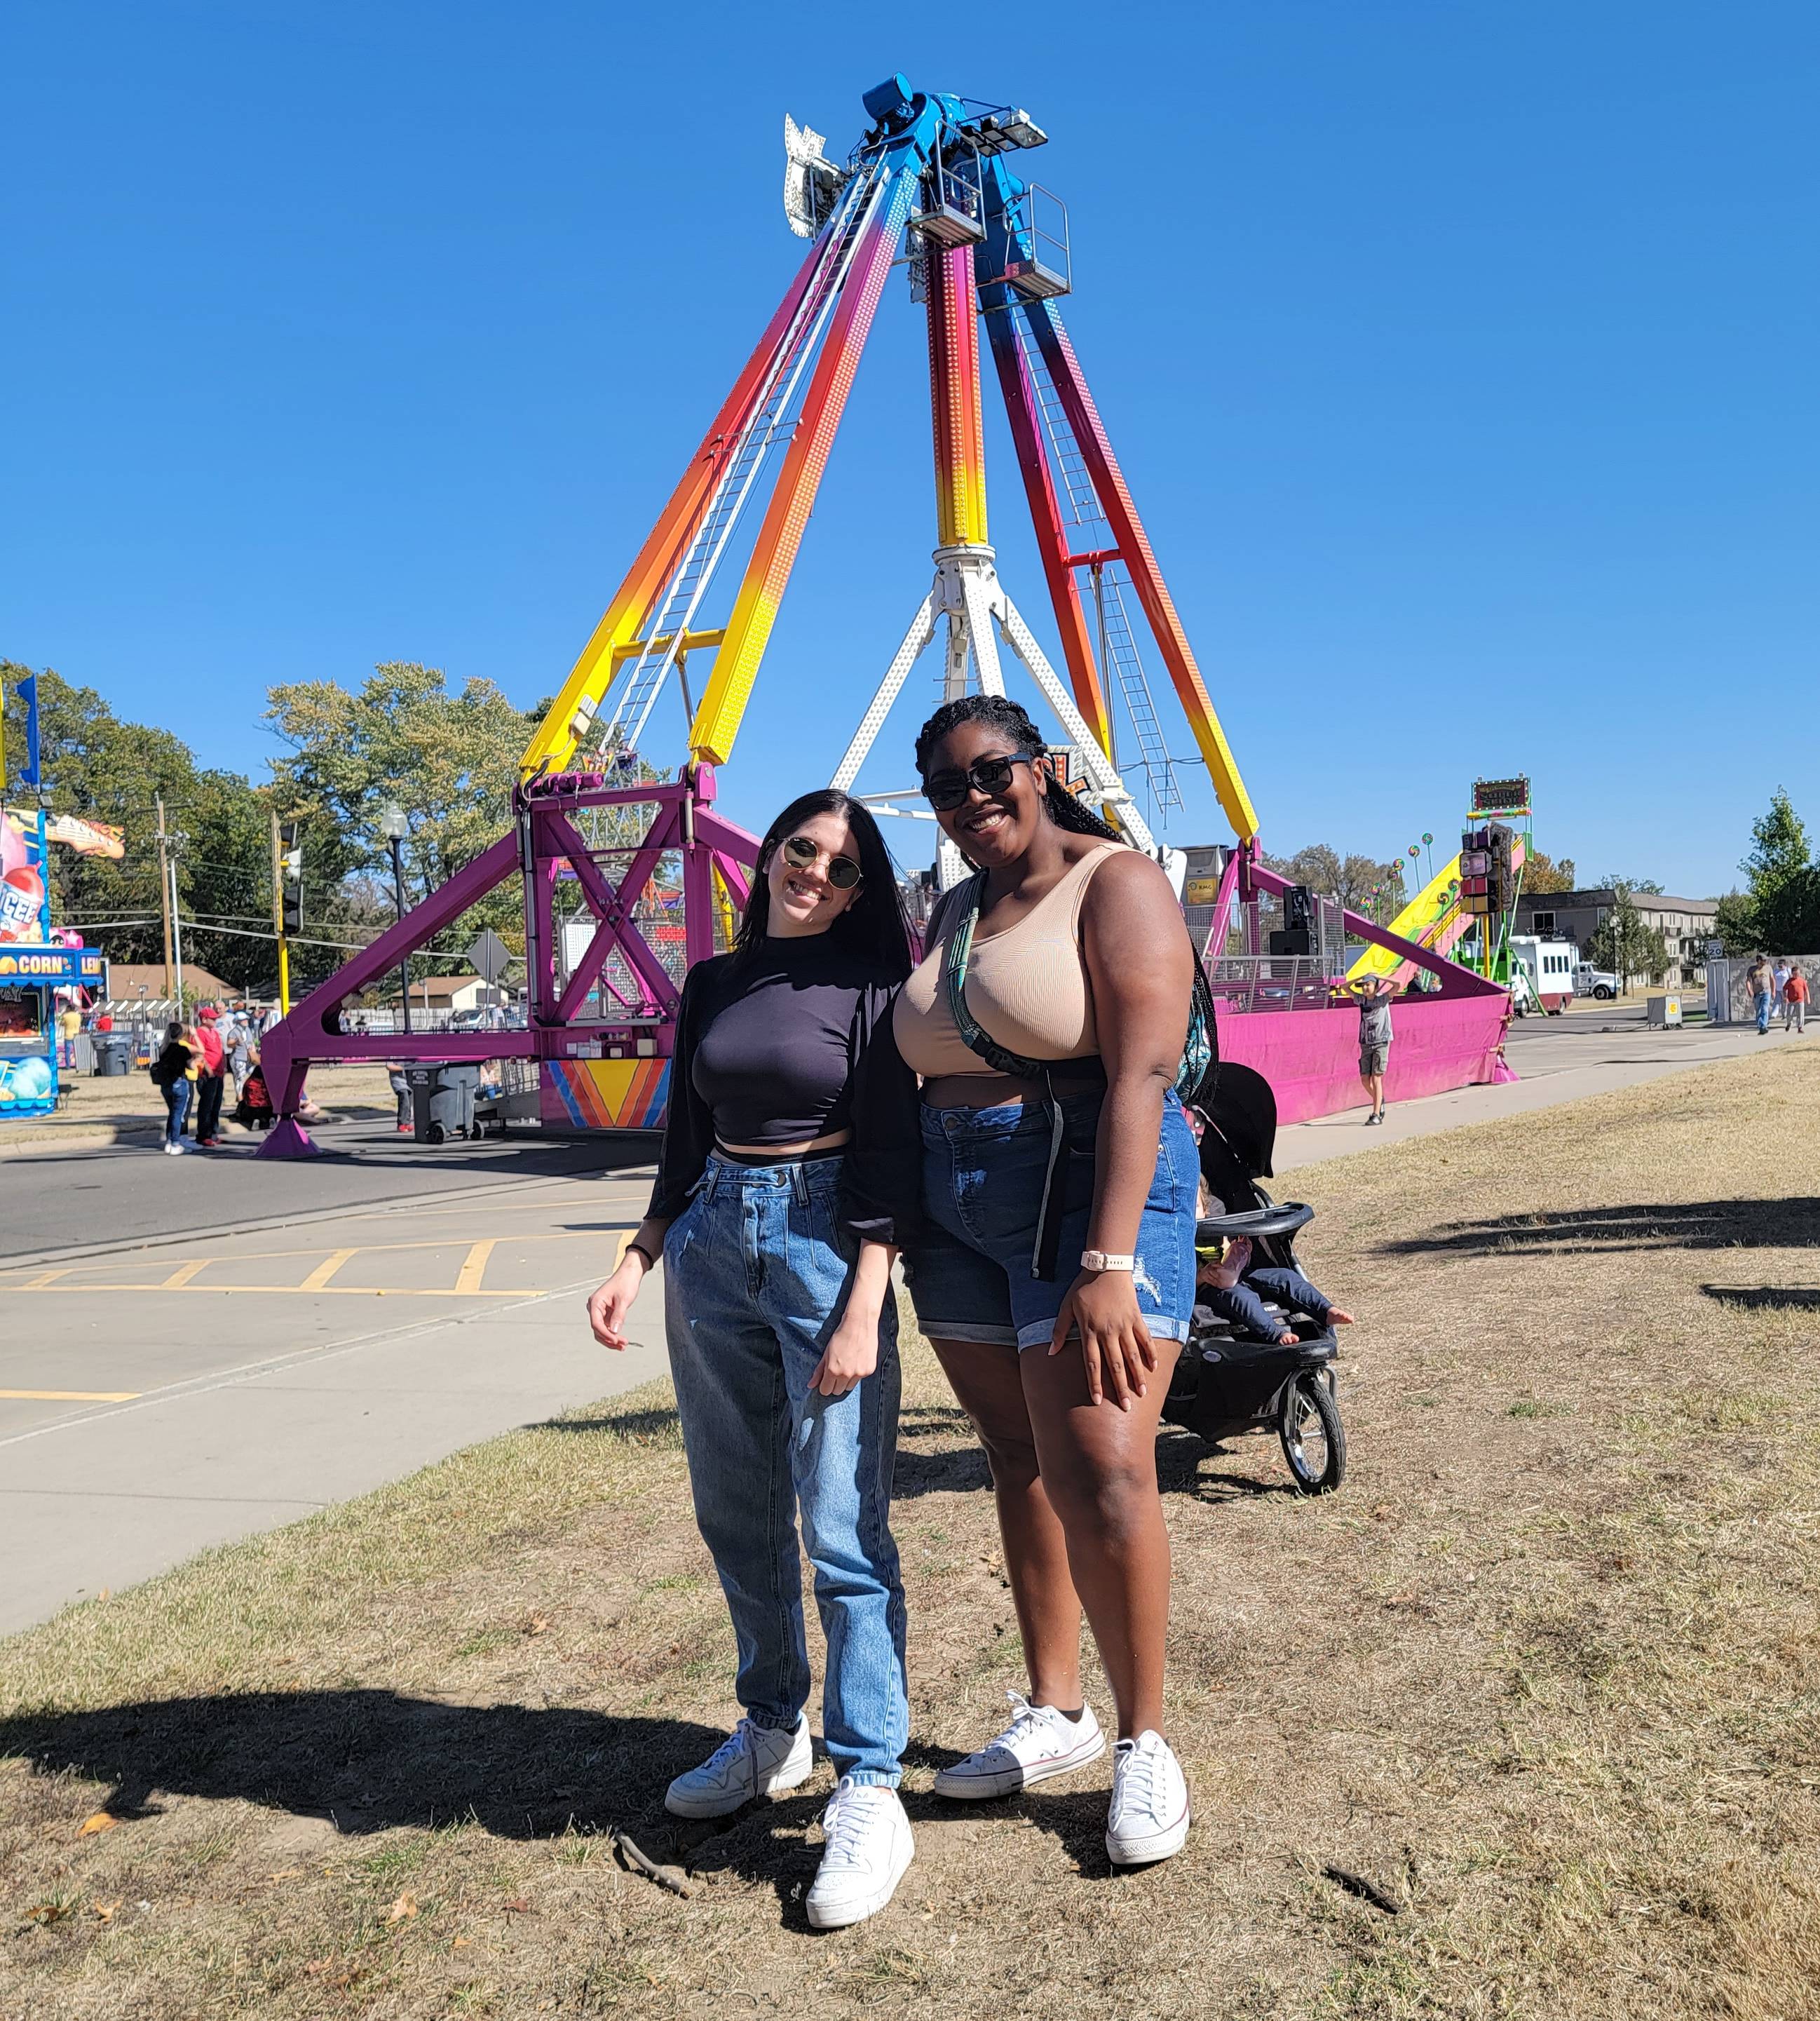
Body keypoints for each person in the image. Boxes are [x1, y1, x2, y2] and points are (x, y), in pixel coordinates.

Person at [585, 790, 918, 1931]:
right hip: (715, 1242)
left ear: (861, 885)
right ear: (770, 854)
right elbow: (686, 1126)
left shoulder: (878, 990)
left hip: (831, 1242)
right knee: (733, 1508)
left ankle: (870, 1779)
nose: (812, 871)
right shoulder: (718, 981)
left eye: (837, 861)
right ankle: (772, 1727)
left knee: (840, 1526)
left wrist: (867, 1298)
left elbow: (889, 1143)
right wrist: (641, 1251)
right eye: (800, 848)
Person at [892, 695, 1200, 1870]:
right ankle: (1057, 1710)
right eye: (945, 790)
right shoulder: (958, 907)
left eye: (989, 774)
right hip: (956, 1208)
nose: (971, 803)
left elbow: (1140, 1075)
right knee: (1018, 1456)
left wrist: (1111, 1260)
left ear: (1044, 766)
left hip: (1084, 1185)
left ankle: (1146, 1741)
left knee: (1105, 1464)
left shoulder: (1113, 880)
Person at [1195, 1226, 1354, 1344]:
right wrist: (1201, 1276)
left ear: (1207, 1208)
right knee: (1242, 1298)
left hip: (1244, 1274)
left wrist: (1243, 1250)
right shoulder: (1180, 1236)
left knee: (1286, 1276)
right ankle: (1275, 1334)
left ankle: (1326, 1310)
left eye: (1197, 1206)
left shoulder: (1223, 1229)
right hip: (1209, 1287)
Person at [1347, 973, 1398, 1123]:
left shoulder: (1382, 999)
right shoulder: (1361, 1000)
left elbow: (1397, 985)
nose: (1365, 987)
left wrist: (1379, 976)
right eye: (1364, 985)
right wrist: (1360, 978)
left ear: (1376, 987)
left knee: (1376, 1077)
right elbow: (1344, 988)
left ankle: (1376, 1115)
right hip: (1366, 1042)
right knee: (1364, 1079)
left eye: (1368, 985)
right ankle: (1379, 1099)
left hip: (1381, 1041)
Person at [153, 1022, 200, 1154]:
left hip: (165, 1085)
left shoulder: (164, 1049)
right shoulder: (182, 1049)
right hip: (179, 1083)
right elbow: (191, 1066)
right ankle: (175, 1144)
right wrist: (195, 1062)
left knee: (173, 1113)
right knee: (178, 1115)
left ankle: (170, 1141)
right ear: (180, 1034)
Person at [192, 1006, 227, 1146]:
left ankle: (213, 1133)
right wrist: (209, 1070)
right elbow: (201, 1054)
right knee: (207, 1105)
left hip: (218, 1073)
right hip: (207, 1074)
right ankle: (203, 1134)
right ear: (204, 1019)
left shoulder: (215, 1032)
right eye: (212, 1018)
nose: (215, 1020)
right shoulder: (200, 1033)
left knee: (216, 1104)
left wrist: (223, 1067)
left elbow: (220, 1050)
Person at [1747, 955, 1772, 1034]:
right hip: (1757, 993)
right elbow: (1748, 981)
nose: (1765, 962)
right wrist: (1749, 990)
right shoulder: (1752, 969)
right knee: (1758, 1011)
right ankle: (1761, 1026)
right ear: (1759, 961)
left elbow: (1772, 979)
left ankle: (1763, 1027)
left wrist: (1774, 990)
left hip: (1766, 992)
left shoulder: (1768, 968)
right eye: (1764, 960)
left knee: (1765, 1009)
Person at [1785, 963, 1809, 1036]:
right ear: (1792, 973)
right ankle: (1789, 1024)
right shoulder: (1789, 981)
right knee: (1789, 1015)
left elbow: (1806, 990)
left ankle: (1800, 1027)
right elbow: (1784, 989)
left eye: (1798, 973)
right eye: (1795, 974)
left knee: (1800, 1014)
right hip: (1791, 1001)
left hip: (1800, 1000)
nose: (1797, 975)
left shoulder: (1802, 980)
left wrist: (1808, 998)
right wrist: (1785, 997)